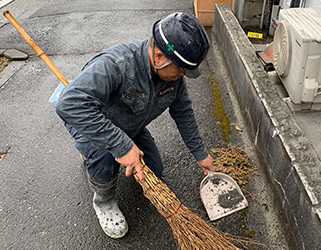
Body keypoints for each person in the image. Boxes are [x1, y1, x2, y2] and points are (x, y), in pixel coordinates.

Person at [55, 12, 215, 239]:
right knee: (103, 158)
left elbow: (184, 113)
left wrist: (200, 154)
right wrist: (121, 147)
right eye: (180, 69)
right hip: (92, 123)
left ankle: (112, 153)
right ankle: (104, 201)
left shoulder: (173, 78)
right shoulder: (115, 65)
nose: (182, 76)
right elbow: (69, 105)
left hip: (130, 125)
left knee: (155, 171)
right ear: (160, 57)